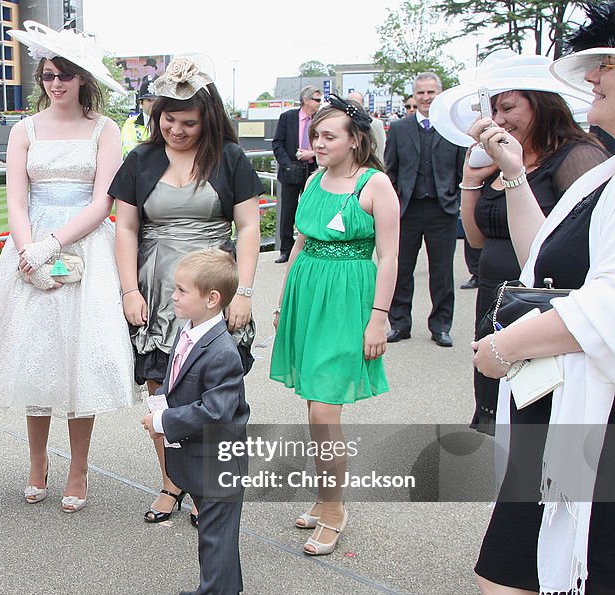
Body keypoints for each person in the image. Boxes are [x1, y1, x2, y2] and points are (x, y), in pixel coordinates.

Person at [470, 5, 615, 595]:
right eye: (598, 66)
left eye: (611, 66)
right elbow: (542, 266)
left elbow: (604, 305)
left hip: (585, 422)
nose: (600, 77)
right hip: (569, 413)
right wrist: (513, 173)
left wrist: (502, 347)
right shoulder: (597, 178)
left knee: (509, 583)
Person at [0, 21, 137, 512]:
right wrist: (27, 251)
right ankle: (37, 461)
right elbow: (16, 200)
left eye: (64, 75)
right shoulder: (24, 129)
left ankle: (78, 467)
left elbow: (104, 202)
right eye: (47, 75)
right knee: (35, 356)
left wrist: (52, 246)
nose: (55, 83)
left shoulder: (105, 130)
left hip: (84, 245)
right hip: (31, 244)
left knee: (78, 359)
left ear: (82, 78)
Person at [111, 55, 262, 525]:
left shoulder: (230, 158)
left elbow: (250, 227)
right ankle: (171, 481)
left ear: (208, 118)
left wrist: (246, 292)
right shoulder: (141, 159)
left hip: (216, 289)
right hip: (157, 291)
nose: (176, 129)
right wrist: (128, 291)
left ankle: (207, 487)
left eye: (188, 122)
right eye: (168, 119)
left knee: (213, 395)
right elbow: (126, 230)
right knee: (163, 392)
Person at [445, 62, 607, 436]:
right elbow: (475, 238)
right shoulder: (507, 163)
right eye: (494, 109)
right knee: (493, 408)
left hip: (545, 306)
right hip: (497, 296)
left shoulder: (579, 158)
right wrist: (472, 180)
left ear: (542, 105)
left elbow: (570, 246)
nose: (499, 119)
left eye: (509, 108)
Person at [269, 95, 399, 555]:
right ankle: (325, 499)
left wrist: (379, 319)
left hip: (349, 300)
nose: (317, 143)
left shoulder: (375, 183)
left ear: (355, 140)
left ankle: (336, 507)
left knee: (325, 411)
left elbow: (389, 256)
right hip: (308, 295)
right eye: (316, 135)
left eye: (329, 136)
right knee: (314, 408)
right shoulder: (315, 179)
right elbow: (300, 244)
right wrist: (285, 303)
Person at [141, 248, 249, 595]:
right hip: (203, 456)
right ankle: (220, 589)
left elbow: (216, 410)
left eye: (182, 291)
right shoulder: (190, 330)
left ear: (212, 299)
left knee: (215, 534)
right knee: (217, 532)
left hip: (220, 459)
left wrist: (164, 420)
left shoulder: (222, 350)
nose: (173, 296)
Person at [384, 72, 465, 348]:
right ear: (414, 95)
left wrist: (455, 197)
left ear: (439, 94)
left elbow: (461, 169)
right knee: (401, 268)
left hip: (442, 210)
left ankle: (441, 325)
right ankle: (400, 323)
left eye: (431, 92)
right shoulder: (399, 129)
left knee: (442, 272)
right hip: (407, 210)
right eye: (421, 93)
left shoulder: (452, 128)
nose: (426, 98)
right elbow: (390, 169)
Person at [272, 86, 322, 263]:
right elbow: (277, 143)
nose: (319, 103)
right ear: (306, 100)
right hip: (291, 170)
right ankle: (286, 249)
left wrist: (312, 154)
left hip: (313, 170)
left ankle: (310, 246)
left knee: (312, 208)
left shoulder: (320, 120)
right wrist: (287, 164)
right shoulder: (288, 117)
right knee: (288, 211)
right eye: (316, 100)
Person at [121, 87, 156, 156]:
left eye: (156, 100)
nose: (153, 104)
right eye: (149, 100)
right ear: (141, 103)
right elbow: (128, 148)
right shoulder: (131, 122)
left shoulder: (165, 122)